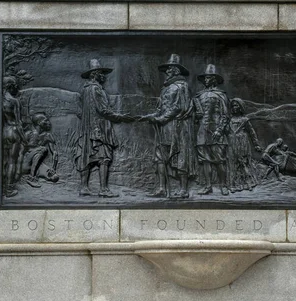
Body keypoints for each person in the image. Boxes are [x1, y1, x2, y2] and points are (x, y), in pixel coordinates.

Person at [75, 59, 133, 198]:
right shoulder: (97, 89)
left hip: (86, 129)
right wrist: (120, 117)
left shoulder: (84, 90)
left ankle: (84, 187)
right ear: (95, 74)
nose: (104, 76)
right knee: (104, 158)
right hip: (99, 128)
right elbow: (103, 110)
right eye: (102, 73)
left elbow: (79, 111)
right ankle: (103, 189)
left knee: (86, 156)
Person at [140, 54, 195, 198]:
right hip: (164, 127)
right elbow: (162, 107)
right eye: (167, 70)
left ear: (177, 71)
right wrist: (153, 116)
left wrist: (161, 119)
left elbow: (178, 108)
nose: (167, 72)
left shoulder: (182, 87)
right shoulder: (166, 88)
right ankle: (161, 188)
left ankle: (183, 189)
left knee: (180, 156)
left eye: (170, 69)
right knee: (160, 156)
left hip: (178, 127)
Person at [192, 64, 231, 196]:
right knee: (205, 160)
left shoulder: (221, 95)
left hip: (216, 131)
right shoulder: (199, 96)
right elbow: (194, 116)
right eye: (205, 78)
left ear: (214, 79)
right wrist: (196, 117)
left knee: (219, 160)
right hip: (202, 131)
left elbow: (226, 115)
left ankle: (223, 186)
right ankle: (208, 186)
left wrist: (220, 130)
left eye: (208, 78)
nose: (205, 80)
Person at [228, 98, 262, 191]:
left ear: (240, 107)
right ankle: (233, 185)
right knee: (233, 164)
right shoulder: (228, 120)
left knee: (244, 163)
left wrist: (256, 145)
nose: (234, 107)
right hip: (231, 143)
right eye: (233, 105)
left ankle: (248, 183)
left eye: (236, 105)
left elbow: (252, 133)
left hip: (242, 142)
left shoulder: (245, 120)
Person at [2, 76, 25, 198]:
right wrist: (24, 139)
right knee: (12, 161)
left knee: (4, 161)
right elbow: (19, 123)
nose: (16, 87)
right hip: (14, 131)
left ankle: (3, 186)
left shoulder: (0, 100)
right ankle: (9, 188)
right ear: (10, 86)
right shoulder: (14, 101)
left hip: (4, 131)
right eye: (15, 85)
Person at [21, 113, 59, 188]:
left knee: (55, 177)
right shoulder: (28, 134)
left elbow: (54, 152)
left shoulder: (47, 136)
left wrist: (53, 168)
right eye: (46, 121)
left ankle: (34, 174)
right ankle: (32, 178)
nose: (48, 122)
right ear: (39, 123)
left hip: (38, 165)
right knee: (43, 149)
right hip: (26, 163)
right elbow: (20, 151)